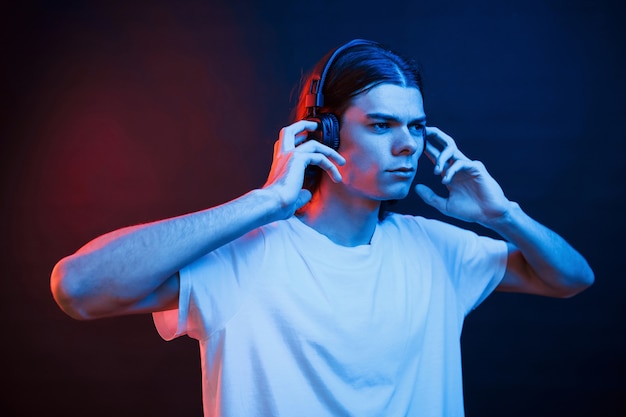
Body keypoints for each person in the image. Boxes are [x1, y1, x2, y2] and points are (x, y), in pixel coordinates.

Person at [50, 39, 594, 417]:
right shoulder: (246, 259)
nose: (407, 145)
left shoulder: (437, 250)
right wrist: (266, 202)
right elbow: (78, 288)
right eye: (382, 125)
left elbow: (571, 277)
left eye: (416, 126)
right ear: (324, 133)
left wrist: (504, 216)